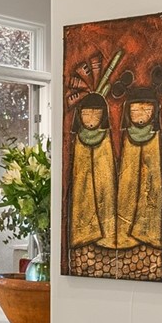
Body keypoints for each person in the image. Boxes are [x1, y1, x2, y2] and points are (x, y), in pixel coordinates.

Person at [115, 86, 162, 248]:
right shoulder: (128, 136)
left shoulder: (155, 136)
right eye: (135, 111)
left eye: (147, 110)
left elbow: (154, 178)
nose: (141, 115)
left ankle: (148, 233)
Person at [67, 93, 117, 250]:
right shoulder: (79, 140)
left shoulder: (105, 138)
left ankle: (106, 236)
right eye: (86, 114)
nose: (90, 119)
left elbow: (107, 174)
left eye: (96, 114)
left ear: (103, 116)